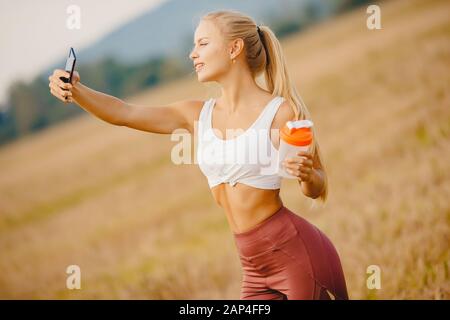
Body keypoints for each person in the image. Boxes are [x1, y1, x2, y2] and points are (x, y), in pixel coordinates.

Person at [48, 10, 348, 300]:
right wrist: (77, 91)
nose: (193, 53)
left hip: (297, 257)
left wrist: (307, 175)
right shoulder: (196, 114)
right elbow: (124, 113)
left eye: (203, 44)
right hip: (254, 268)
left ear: (234, 48)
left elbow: (316, 187)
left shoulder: (279, 112)